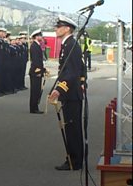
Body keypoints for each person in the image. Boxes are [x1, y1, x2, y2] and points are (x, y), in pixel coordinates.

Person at [49, 15, 86, 171]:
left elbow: (70, 72)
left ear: (67, 29)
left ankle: (75, 161)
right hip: (71, 93)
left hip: (71, 95)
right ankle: (73, 159)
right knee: (72, 127)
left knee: (72, 129)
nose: (56, 29)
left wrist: (58, 89)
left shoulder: (70, 45)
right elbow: (80, 69)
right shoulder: (68, 44)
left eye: (59, 27)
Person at [29, 29, 46, 114]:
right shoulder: (34, 46)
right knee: (35, 90)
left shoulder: (37, 45)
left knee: (37, 90)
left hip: (38, 70)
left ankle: (35, 106)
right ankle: (33, 108)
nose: (41, 37)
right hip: (36, 71)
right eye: (40, 36)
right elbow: (36, 60)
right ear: (36, 36)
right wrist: (39, 71)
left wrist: (44, 69)